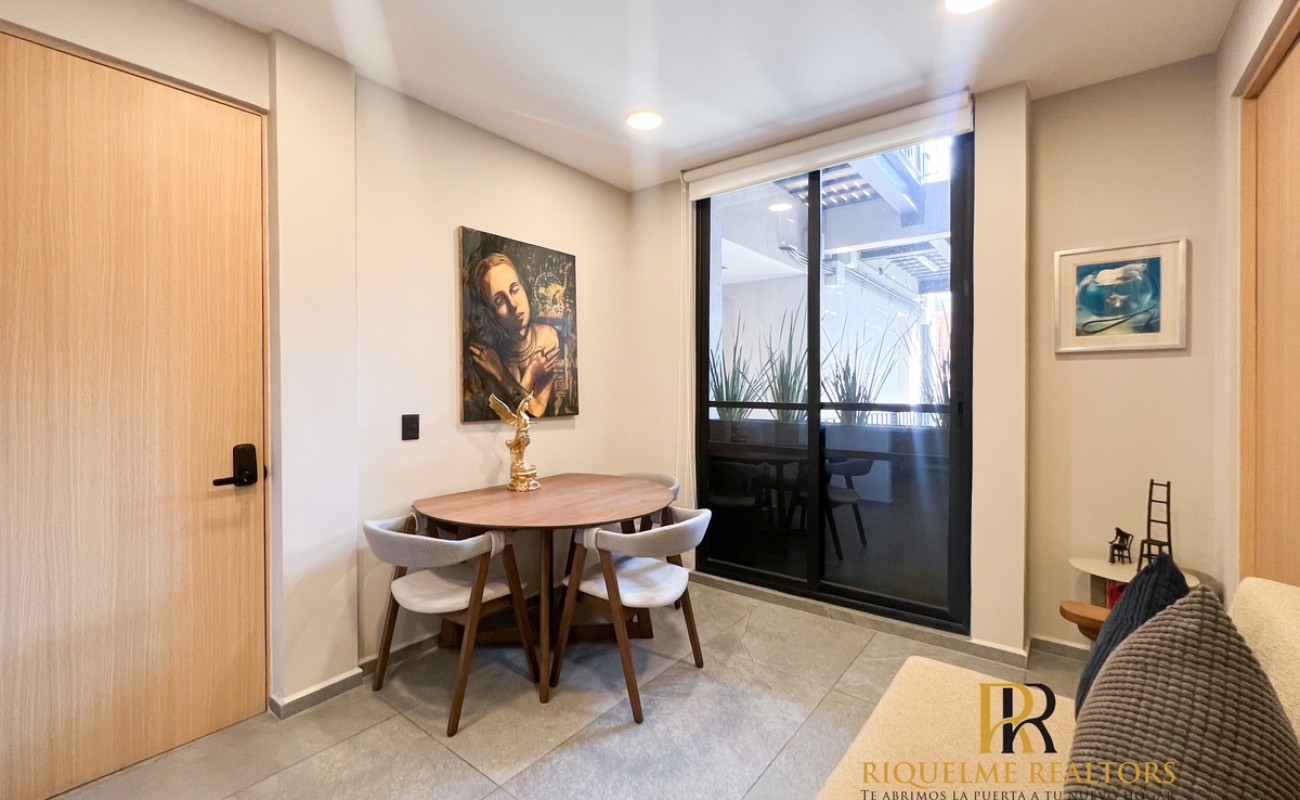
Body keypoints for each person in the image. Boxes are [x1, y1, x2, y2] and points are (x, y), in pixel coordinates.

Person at [467, 253, 560, 418]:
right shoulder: (486, 354)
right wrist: (531, 372)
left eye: (515, 290)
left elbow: (536, 411)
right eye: (499, 300)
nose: (513, 304)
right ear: (490, 313)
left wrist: (501, 373)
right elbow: (509, 416)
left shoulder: (546, 337)